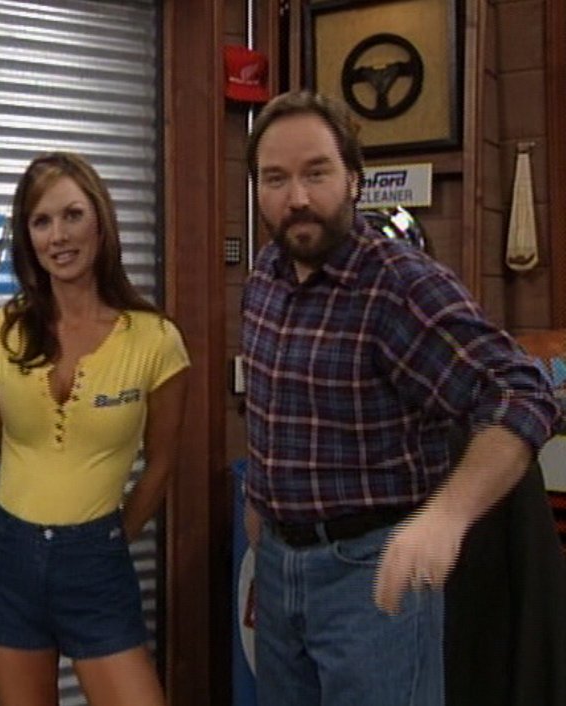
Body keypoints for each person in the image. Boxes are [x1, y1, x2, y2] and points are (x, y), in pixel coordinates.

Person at [240, 90, 560, 706]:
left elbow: (522, 393)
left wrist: (446, 517)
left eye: (316, 173)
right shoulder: (266, 274)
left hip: (371, 576)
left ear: (354, 179)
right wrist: (261, 509)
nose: (296, 197)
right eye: (275, 179)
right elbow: (271, 404)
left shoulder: (399, 285)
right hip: (279, 569)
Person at [0, 151, 189, 706]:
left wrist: (110, 538)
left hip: (97, 562)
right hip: (8, 553)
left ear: (100, 222)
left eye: (72, 215)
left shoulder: (155, 340)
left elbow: (161, 463)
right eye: (41, 222)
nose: (59, 236)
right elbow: (9, 446)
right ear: (27, 238)